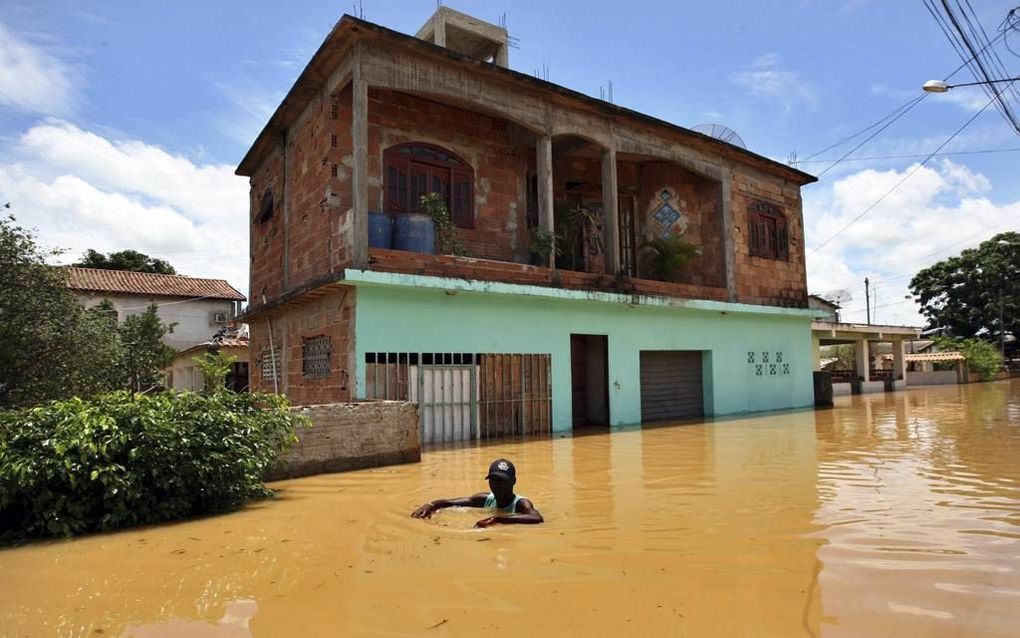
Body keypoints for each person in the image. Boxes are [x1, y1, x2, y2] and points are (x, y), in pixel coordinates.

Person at [411, 458, 544, 527]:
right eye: (493, 479)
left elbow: (536, 518)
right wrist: (430, 505)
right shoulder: (486, 499)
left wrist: (497, 519)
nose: (497, 484)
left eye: (502, 480)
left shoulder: (521, 504)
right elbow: (450, 502)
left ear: (513, 482)